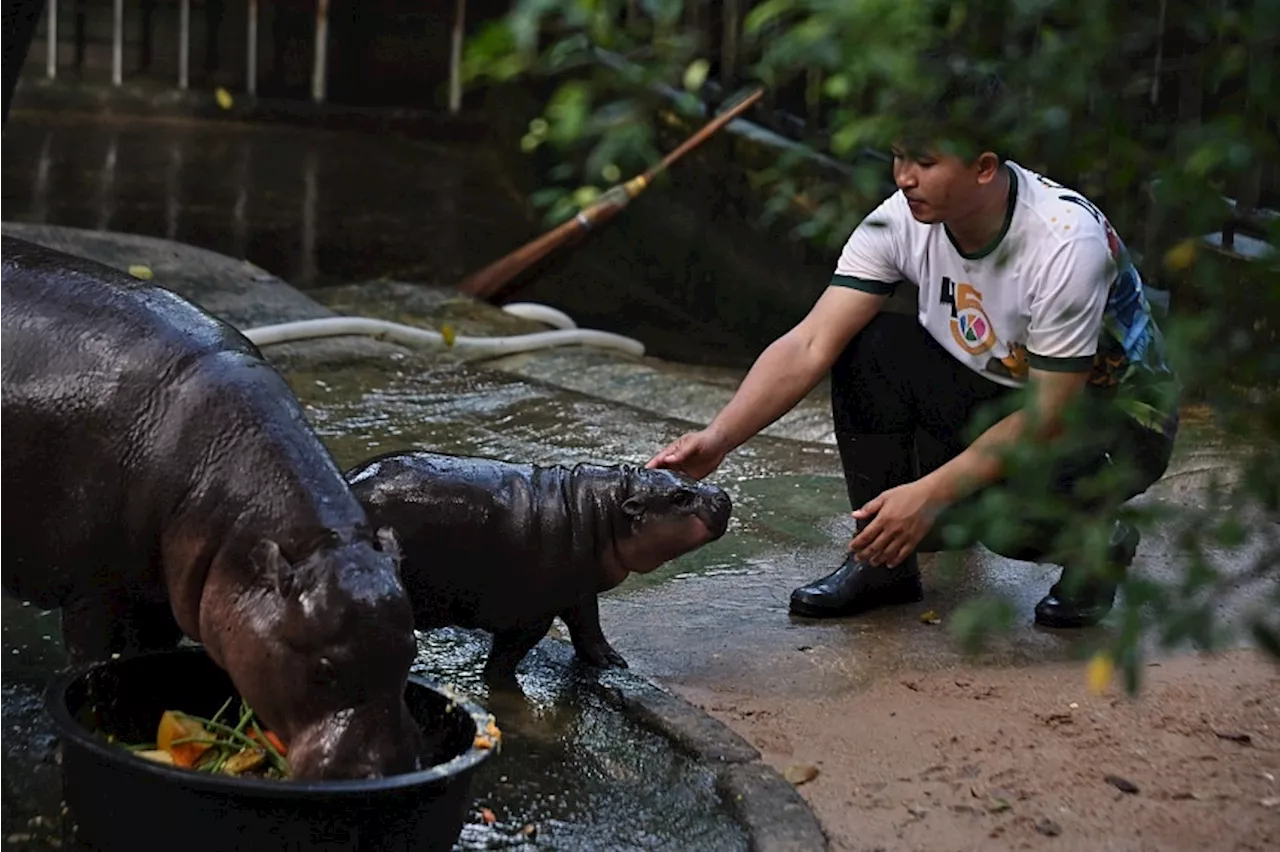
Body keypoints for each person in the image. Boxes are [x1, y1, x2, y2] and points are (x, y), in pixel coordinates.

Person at [646, 65, 1180, 629]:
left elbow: (1049, 415)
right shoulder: (902, 220)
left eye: (925, 163)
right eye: (899, 157)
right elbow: (809, 341)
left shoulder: (1064, 244)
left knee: (979, 515)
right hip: (1004, 390)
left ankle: (1097, 542)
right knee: (869, 347)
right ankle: (882, 565)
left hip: (1113, 425)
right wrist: (718, 438)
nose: (904, 178)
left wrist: (927, 493)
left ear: (983, 169)